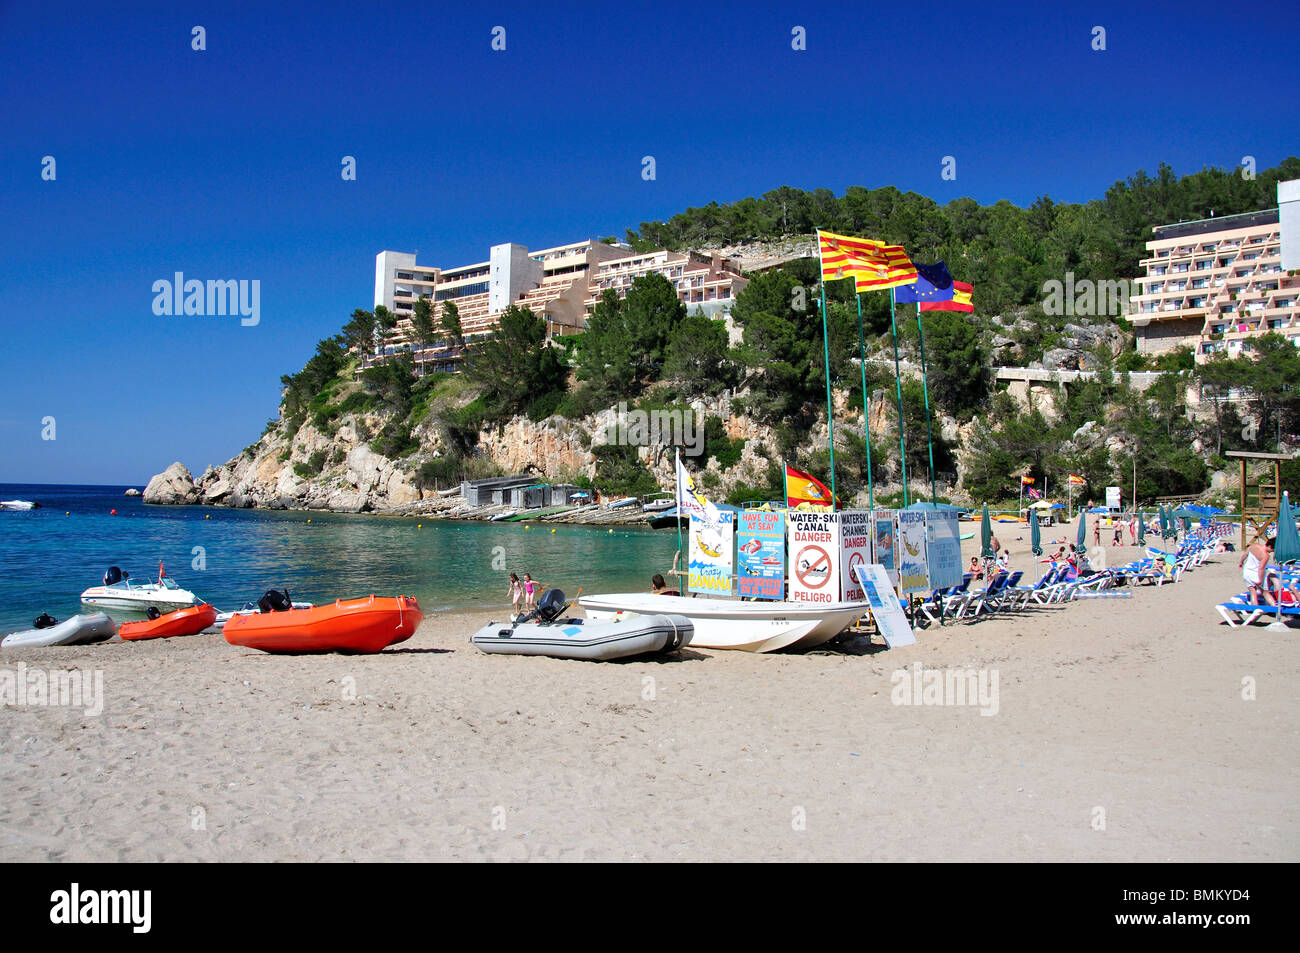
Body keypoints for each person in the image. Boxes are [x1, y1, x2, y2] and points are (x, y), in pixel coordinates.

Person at [1239, 539, 1275, 605]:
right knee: (1265, 593)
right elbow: (1261, 568)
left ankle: (1255, 609)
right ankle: (1274, 608)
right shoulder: (1265, 555)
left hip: (1247, 571)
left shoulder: (1254, 545)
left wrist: (1241, 562)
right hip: (1256, 574)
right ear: (1269, 546)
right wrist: (1260, 580)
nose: (1272, 552)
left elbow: (1245, 554)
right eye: (1272, 550)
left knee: (1253, 592)